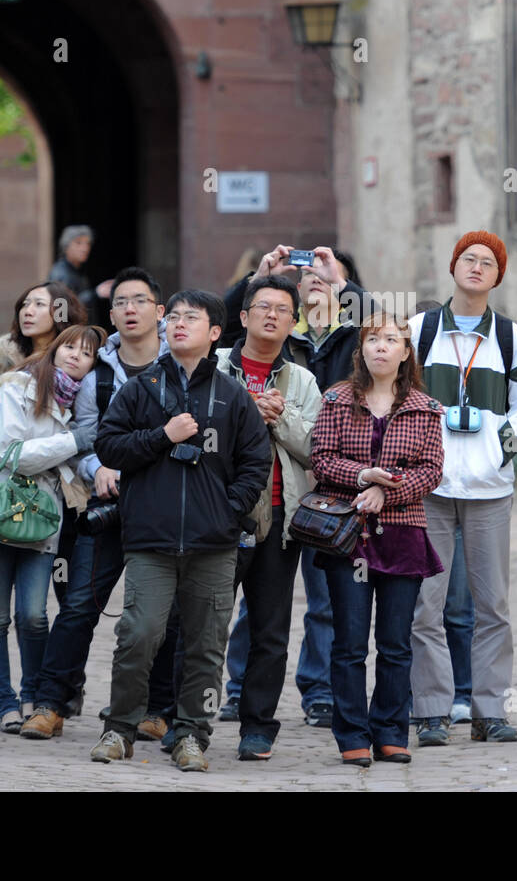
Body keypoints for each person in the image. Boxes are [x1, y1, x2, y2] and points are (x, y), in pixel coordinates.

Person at [87, 290, 271, 773]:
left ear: (215, 333)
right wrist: (162, 437)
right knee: (139, 634)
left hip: (215, 544)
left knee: (206, 646)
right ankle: (119, 727)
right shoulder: (140, 387)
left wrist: (227, 512)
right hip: (150, 539)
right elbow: (108, 445)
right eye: (176, 317)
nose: (180, 323)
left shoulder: (233, 396)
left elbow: (257, 461)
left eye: (194, 318)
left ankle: (192, 734)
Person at [217, 244, 367, 728]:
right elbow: (215, 318)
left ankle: (317, 691)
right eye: (309, 277)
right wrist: (260, 275)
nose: (316, 280)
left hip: (328, 485)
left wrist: (341, 282)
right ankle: (237, 691)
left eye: (328, 276)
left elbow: (387, 328)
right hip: (258, 492)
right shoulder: (284, 334)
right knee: (250, 609)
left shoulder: (355, 336)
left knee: (318, 600)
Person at [21, 268, 170, 739]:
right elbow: (82, 441)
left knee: (164, 614)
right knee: (80, 605)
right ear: (112, 313)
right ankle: (51, 704)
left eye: (140, 301)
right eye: (122, 301)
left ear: (159, 311)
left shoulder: (181, 366)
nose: (130, 309)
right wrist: (96, 470)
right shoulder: (97, 377)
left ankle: (156, 710)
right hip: (106, 508)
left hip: (166, 509)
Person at [407, 231, 517, 748]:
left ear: (497, 275)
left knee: (493, 606)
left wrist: (496, 449)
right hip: (428, 486)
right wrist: (416, 450)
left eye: (488, 262)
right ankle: (434, 713)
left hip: (489, 489)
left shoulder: (510, 338)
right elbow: (395, 392)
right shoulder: (419, 331)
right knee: (426, 604)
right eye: (469, 258)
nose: (477, 267)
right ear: (453, 266)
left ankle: (490, 711)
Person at [311, 313, 445, 766]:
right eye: (372, 340)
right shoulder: (336, 399)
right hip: (348, 535)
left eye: (391, 340)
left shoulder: (426, 408)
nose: (381, 347)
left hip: (404, 534)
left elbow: (431, 471)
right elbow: (322, 459)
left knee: (396, 642)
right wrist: (361, 476)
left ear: (406, 352)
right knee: (349, 643)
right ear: (361, 351)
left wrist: (384, 491)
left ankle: (390, 730)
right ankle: (351, 733)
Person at [0, 324, 105, 733]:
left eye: (87, 354)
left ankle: (33, 697)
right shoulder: (16, 387)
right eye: (70, 348)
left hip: (42, 521)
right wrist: (74, 440)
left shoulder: (80, 405)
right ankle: (5, 703)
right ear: (55, 349)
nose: (76, 356)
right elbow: (12, 453)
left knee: (34, 616)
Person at [215, 275, 322, 760]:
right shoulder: (213, 369)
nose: (273, 315)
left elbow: (318, 450)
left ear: (292, 321)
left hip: (279, 518)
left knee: (271, 629)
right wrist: (246, 413)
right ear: (243, 316)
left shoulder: (302, 380)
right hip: (216, 514)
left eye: (283, 309)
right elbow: (196, 429)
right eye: (263, 307)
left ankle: (257, 727)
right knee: (198, 622)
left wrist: (281, 418)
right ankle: (183, 721)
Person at [49, 225, 113, 311]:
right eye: (78, 243)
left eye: (88, 243)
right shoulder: (60, 273)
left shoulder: (79, 270)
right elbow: (61, 308)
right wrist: (95, 293)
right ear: (66, 246)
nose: (85, 248)